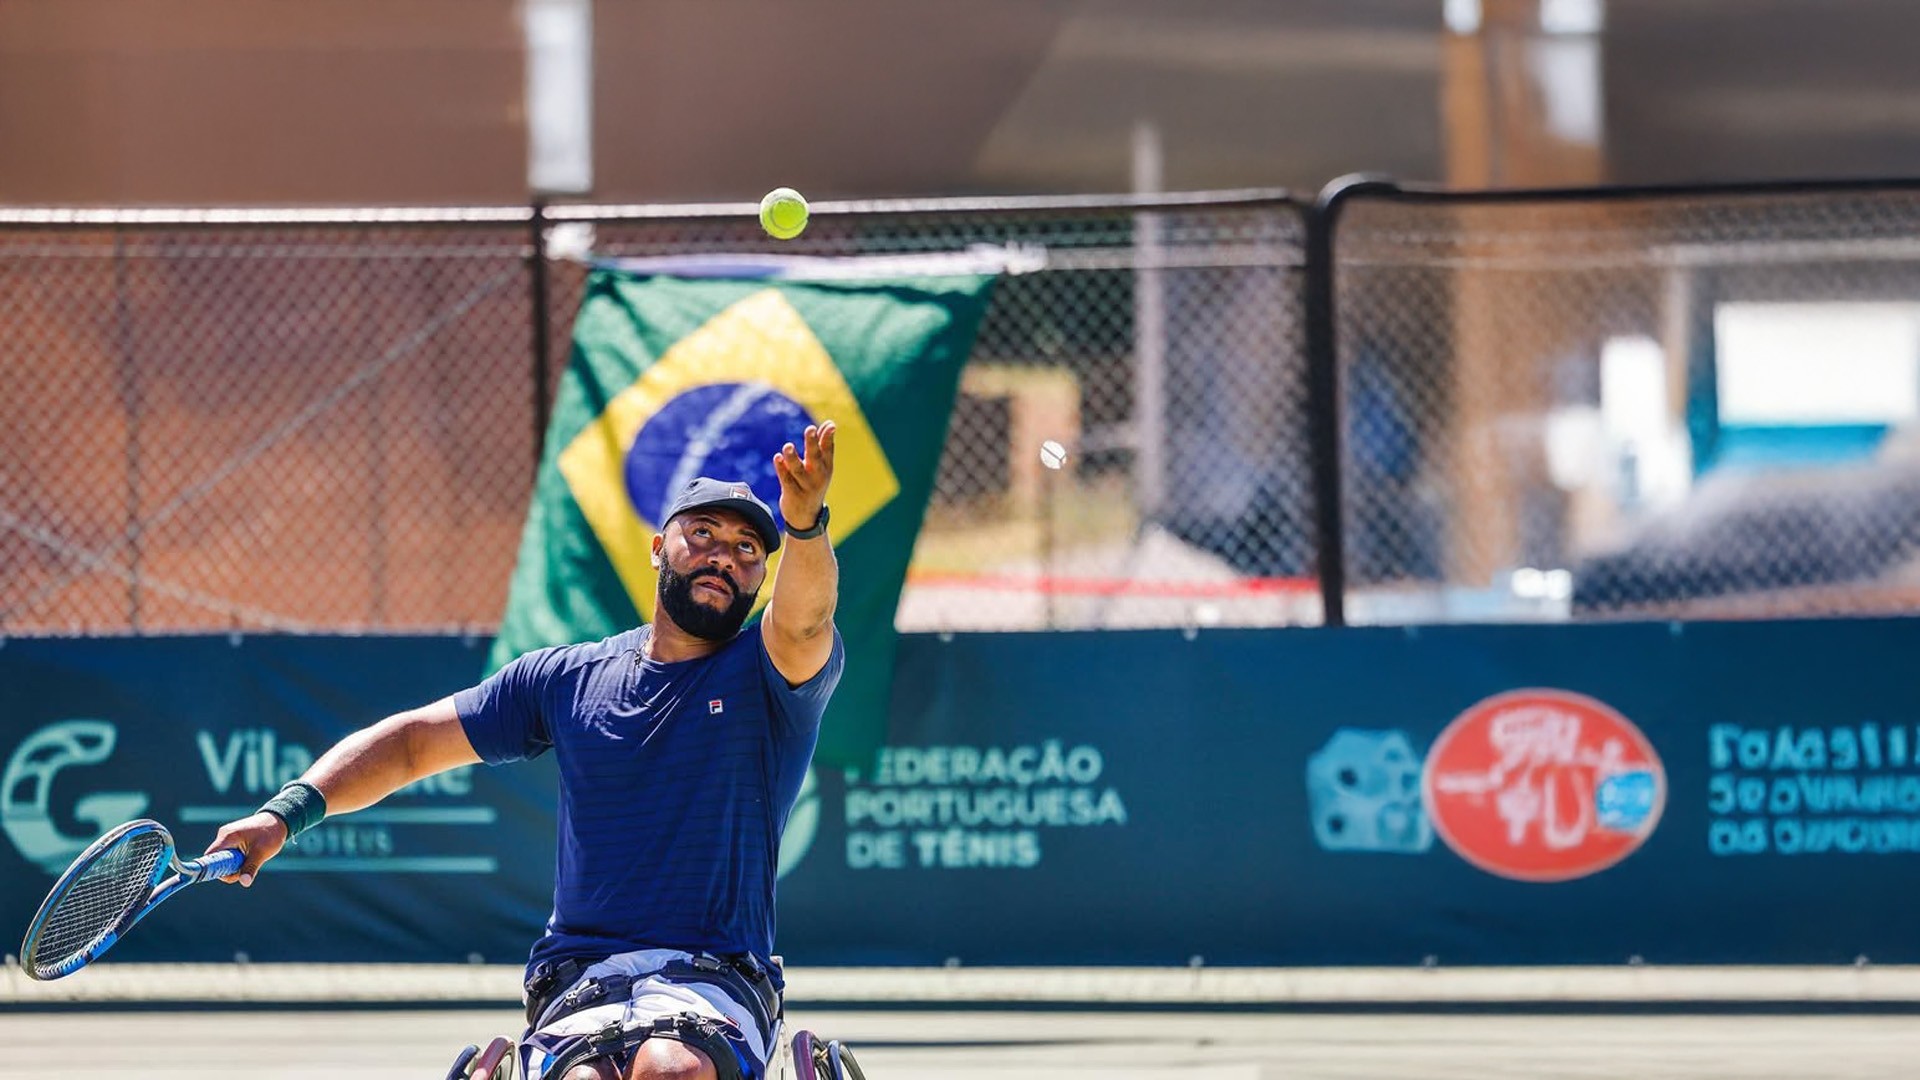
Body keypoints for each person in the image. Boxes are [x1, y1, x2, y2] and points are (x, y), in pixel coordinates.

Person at [206, 423, 846, 1080]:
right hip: (580, 976)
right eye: (703, 534)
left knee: (669, 1070)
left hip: (716, 975)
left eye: (747, 549)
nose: (724, 555)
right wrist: (284, 814)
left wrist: (805, 525)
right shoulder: (564, 679)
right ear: (659, 549)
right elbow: (411, 745)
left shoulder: (772, 673)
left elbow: (806, 618)